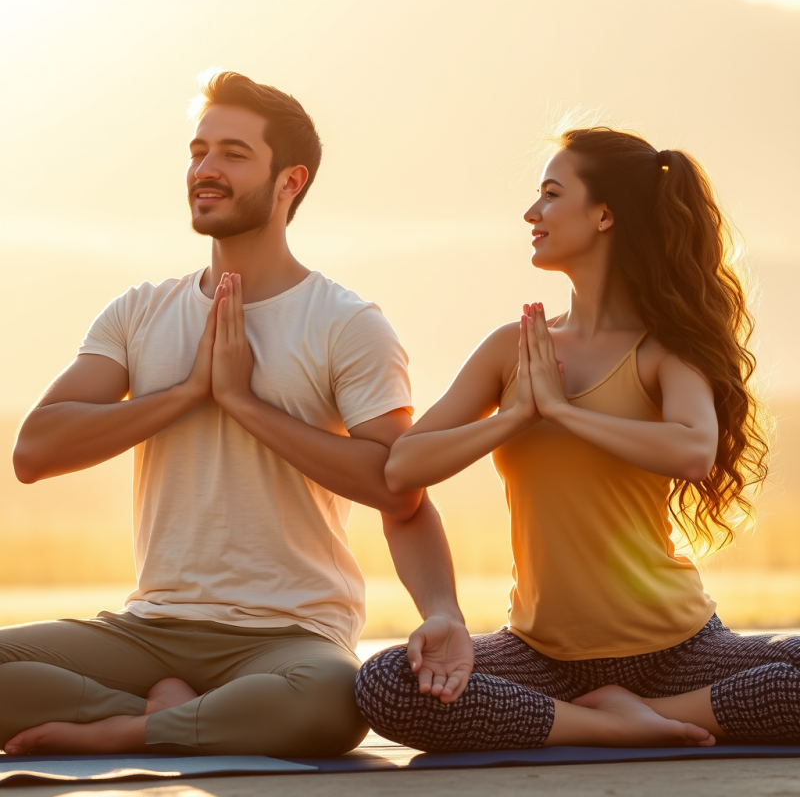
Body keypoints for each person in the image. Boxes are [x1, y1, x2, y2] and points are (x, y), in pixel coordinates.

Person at [1, 70, 473, 758]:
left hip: (290, 637)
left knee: (331, 706)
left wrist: (244, 404)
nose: (205, 169)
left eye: (232, 153)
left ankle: (129, 727)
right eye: (198, 151)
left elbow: (395, 488)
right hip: (149, 629)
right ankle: (174, 714)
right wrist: (186, 393)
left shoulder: (346, 323)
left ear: (290, 181)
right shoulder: (140, 312)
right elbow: (34, 451)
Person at [355, 126, 792, 752]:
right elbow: (403, 467)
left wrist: (564, 413)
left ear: (605, 214)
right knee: (387, 685)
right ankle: (611, 723)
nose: (532, 212)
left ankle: (642, 709)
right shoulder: (514, 349)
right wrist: (514, 418)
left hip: (676, 650)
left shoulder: (663, 351)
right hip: (541, 655)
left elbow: (694, 449)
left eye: (552, 194)